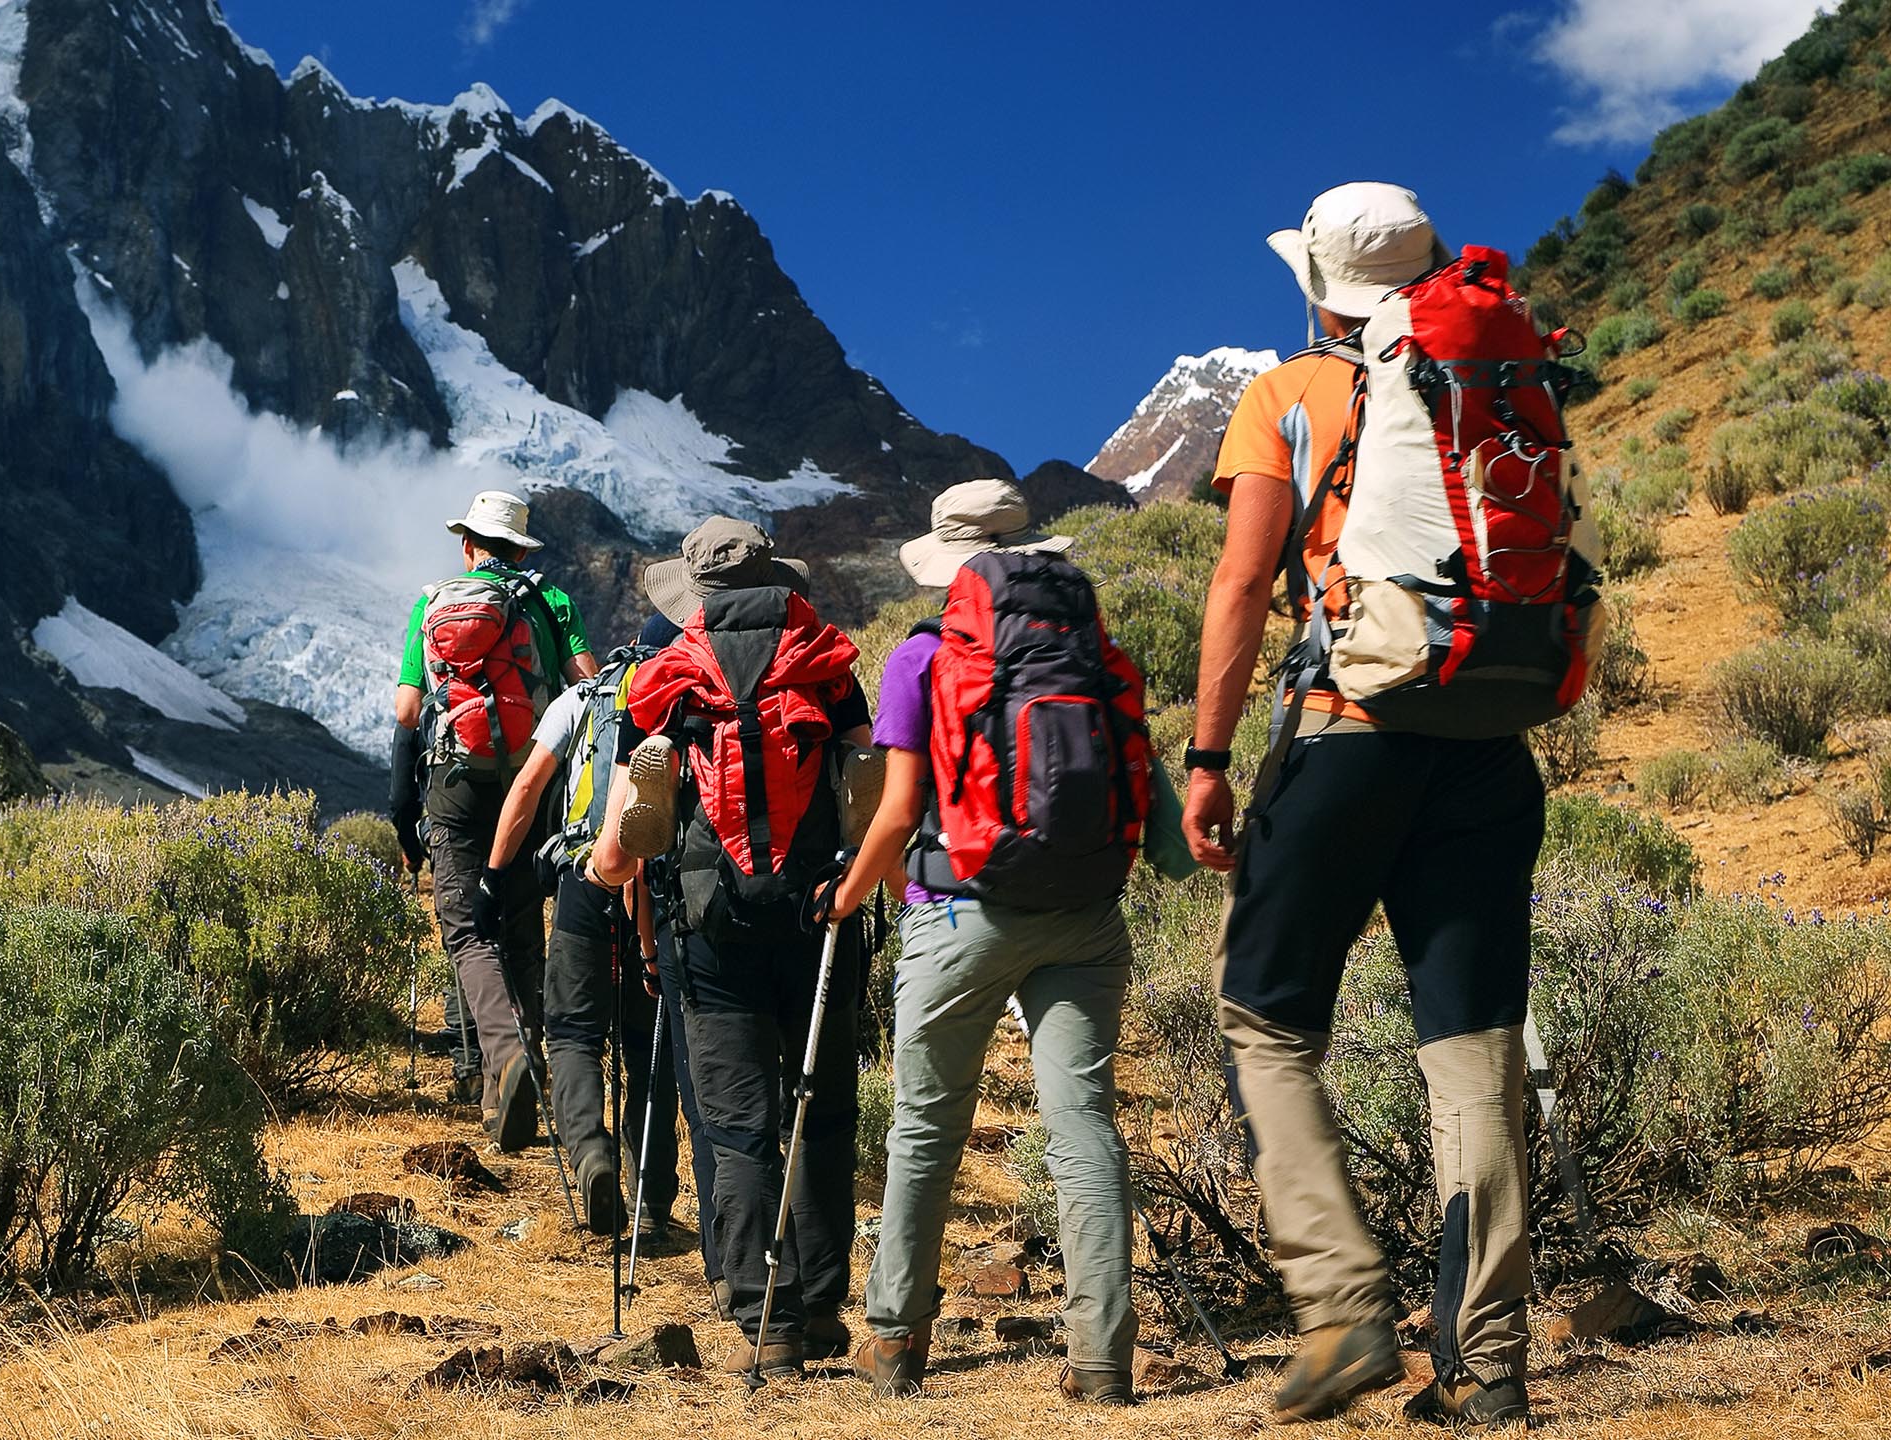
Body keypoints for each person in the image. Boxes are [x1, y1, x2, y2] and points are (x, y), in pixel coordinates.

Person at [1187, 183, 1542, 1429]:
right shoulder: (1494, 373)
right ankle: (1487, 1362)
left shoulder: (1288, 393)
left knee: (1265, 1017)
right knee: (1473, 1047)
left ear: (1315, 287)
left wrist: (1207, 755)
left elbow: (1240, 585)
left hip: (1349, 731)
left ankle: (1340, 1311)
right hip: (1489, 744)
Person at [826, 479, 1195, 1403]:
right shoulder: (1092, 650)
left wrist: (846, 894)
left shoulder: (922, 657)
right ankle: (1103, 1359)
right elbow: (1149, 796)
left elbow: (902, 806)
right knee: (1082, 1127)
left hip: (958, 913)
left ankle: (896, 1340)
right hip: (1085, 912)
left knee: (926, 1125)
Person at [589, 516, 873, 1382]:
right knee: (821, 1111)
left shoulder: (667, 681)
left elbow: (612, 859)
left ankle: (766, 1321)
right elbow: (867, 792)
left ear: (696, 593)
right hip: (822, 914)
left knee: (739, 1127)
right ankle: (822, 1303)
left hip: (708, 926)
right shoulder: (829, 667)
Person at [392, 490, 599, 1148]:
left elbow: (405, 713)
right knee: (516, 926)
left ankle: (502, 1062)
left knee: (464, 934)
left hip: (454, 784)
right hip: (528, 786)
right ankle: (517, 1087)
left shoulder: (432, 603)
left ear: (468, 546)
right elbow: (591, 689)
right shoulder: (550, 602)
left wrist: (402, 811)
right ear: (519, 549)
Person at [485, 615, 686, 1236]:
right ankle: (651, 1200)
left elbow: (527, 785)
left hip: (585, 879)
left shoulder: (586, 695)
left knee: (573, 1032)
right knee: (646, 1038)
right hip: (658, 887)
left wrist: (495, 873)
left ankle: (590, 1154)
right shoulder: (686, 699)